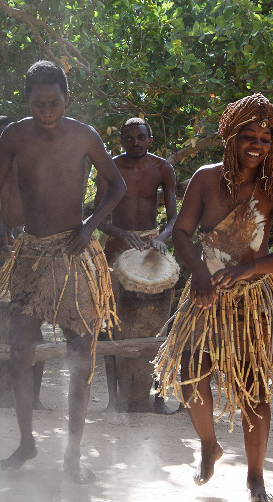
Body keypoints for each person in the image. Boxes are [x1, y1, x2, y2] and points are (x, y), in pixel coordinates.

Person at [154, 93, 273, 502]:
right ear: (231, 137)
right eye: (249, 135)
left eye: (265, 138)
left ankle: (256, 475)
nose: (256, 145)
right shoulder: (206, 179)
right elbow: (181, 233)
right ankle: (209, 445)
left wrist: (248, 269)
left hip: (253, 298)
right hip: (205, 296)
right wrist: (199, 274)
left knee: (253, 387)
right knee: (192, 375)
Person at [0, 60, 126, 482]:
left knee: (81, 354)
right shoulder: (15, 136)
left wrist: (89, 226)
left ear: (66, 99)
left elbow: (117, 186)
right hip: (30, 254)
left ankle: (73, 454)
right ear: (27, 102)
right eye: (39, 104)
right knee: (19, 349)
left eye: (54, 103)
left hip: (74, 254)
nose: (46, 112)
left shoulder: (84, 136)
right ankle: (26, 441)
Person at [95, 117, 179, 414]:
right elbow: (98, 217)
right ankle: (112, 399)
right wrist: (120, 234)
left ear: (149, 139)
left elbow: (173, 218)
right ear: (121, 141)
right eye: (129, 138)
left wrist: (162, 238)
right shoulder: (111, 167)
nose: (135, 143)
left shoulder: (162, 169)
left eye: (140, 137)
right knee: (108, 322)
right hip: (117, 247)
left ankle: (159, 398)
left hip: (151, 248)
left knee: (161, 324)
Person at [0, 116, 44, 409]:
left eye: (3, 138)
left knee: (33, 326)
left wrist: (23, 239)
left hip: (25, 250)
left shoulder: (32, 169)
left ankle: (34, 398)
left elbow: (39, 210)